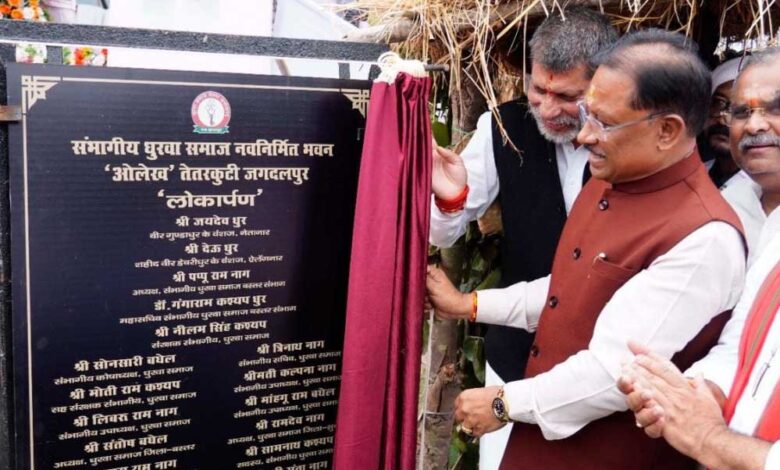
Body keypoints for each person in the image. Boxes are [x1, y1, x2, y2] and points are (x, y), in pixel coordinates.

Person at [427, 29, 746, 469]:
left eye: (604, 122)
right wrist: (472, 305)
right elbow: (571, 290)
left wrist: (505, 403)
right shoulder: (609, 181)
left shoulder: (706, 238)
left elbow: (613, 372)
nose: (584, 136)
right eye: (588, 115)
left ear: (667, 131)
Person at [428, 8, 616, 467]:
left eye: (567, 96)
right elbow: (442, 230)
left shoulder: (635, 139)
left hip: (607, 368)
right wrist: (450, 199)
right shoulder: (503, 128)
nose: (548, 109)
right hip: (517, 361)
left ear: (606, 84)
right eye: (538, 90)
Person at [620, 47, 780, 470]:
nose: (755, 124)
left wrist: (710, 439)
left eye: (776, 108)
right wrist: (697, 392)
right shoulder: (740, 211)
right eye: (742, 112)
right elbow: (742, 346)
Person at [700, 54, 743, 187]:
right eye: (718, 103)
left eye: (740, 109)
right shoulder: (698, 174)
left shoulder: (767, 191)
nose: (722, 119)